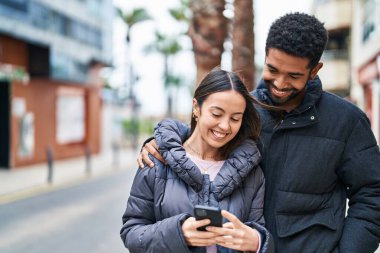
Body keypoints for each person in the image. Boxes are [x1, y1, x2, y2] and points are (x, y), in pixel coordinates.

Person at [138, 12, 380, 252]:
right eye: (273, 69)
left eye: (294, 76)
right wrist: (163, 141)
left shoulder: (347, 121)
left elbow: (372, 195)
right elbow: (205, 133)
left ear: (314, 70)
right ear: (265, 57)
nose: (280, 83)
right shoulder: (245, 111)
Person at [121, 68, 274, 253]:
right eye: (217, 114)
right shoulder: (156, 161)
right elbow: (132, 233)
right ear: (196, 107)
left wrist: (257, 242)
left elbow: (256, 228)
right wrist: (178, 234)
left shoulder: (251, 172)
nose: (225, 126)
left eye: (235, 118)